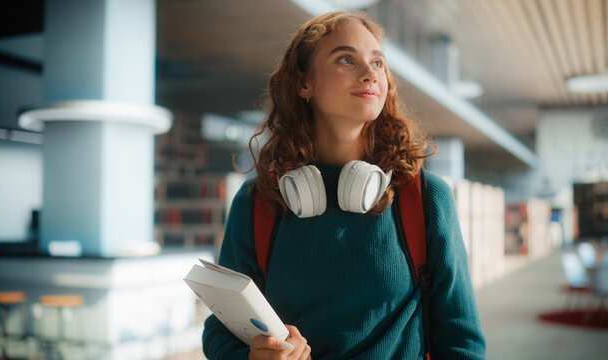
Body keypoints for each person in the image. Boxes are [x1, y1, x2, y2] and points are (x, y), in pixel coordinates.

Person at [202, 11, 486, 360]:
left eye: (378, 62)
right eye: (346, 59)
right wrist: (252, 357)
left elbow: (462, 344)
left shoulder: (425, 199)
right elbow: (219, 331)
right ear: (304, 83)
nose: (370, 74)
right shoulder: (258, 203)